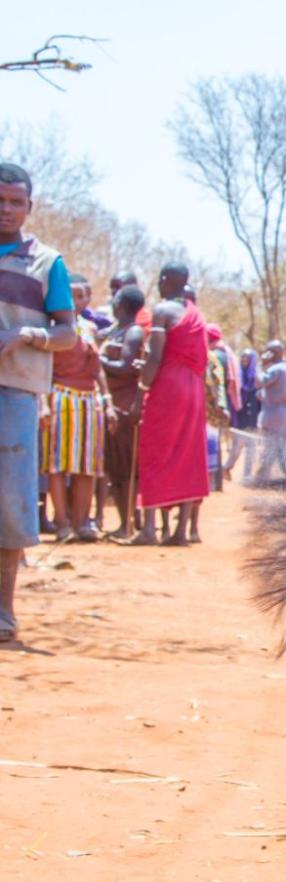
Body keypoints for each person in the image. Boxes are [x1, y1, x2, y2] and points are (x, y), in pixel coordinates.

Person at [0, 162, 80, 641]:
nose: (6, 209)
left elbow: (67, 332)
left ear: (29, 207)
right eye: (0, 200)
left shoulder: (47, 262)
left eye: (15, 202)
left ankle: (4, 611)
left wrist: (24, 334)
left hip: (16, 393)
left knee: (10, 502)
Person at [131, 262, 212, 548]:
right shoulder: (197, 314)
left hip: (169, 386)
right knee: (189, 453)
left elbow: (155, 357)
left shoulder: (163, 310)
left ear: (165, 280)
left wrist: (142, 390)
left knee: (154, 449)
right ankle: (180, 532)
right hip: (193, 388)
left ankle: (150, 528)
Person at [40, 304, 104, 542]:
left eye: (85, 295)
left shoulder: (90, 329)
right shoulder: (52, 330)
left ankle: (82, 523)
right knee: (57, 465)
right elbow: (43, 368)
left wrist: (104, 399)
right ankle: (62, 523)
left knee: (87, 465)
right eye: (75, 295)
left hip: (87, 401)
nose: (80, 300)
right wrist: (43, 403)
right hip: (58, 399)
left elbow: (98, 371)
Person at [97, 285, 147, 539]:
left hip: (125, 407)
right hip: (110, 405)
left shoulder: (134, 332)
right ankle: (121, 522)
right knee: (114, 466)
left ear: (122, 304)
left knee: (126, 466)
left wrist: (98, 360)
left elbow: (126, 367)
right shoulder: (114, 331)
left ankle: (127, 523)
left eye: (115, 300)